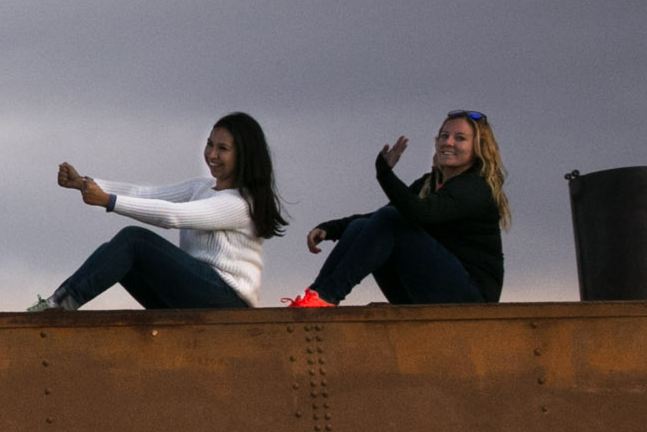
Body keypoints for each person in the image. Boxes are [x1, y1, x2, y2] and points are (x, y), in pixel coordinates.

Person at [32, 112, 286, 311]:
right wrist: (85, 184)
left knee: (134, 240)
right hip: (197, 294)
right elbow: (146, 194)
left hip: (227, 300)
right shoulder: (202, 187)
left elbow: (172, 216)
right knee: (113, 254)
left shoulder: (240, 204)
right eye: (210, 144)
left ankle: (59, 305)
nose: (212, 154)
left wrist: (108, 201)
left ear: (243, 156)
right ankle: (58, 302)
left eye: (223, 149)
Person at [287, 110, 509, 307]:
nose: (448, 143)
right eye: (444, 136)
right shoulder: (428, 183)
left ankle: (327, 297)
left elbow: (421, 213)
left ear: (477, 148)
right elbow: (380, 220)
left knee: (391, 219)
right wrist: (331, 228)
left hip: (470, 299)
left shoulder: (475, 187)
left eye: (460, 138)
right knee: (363, 226)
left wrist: (385, 174)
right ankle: (315, 296)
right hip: (429, 290)